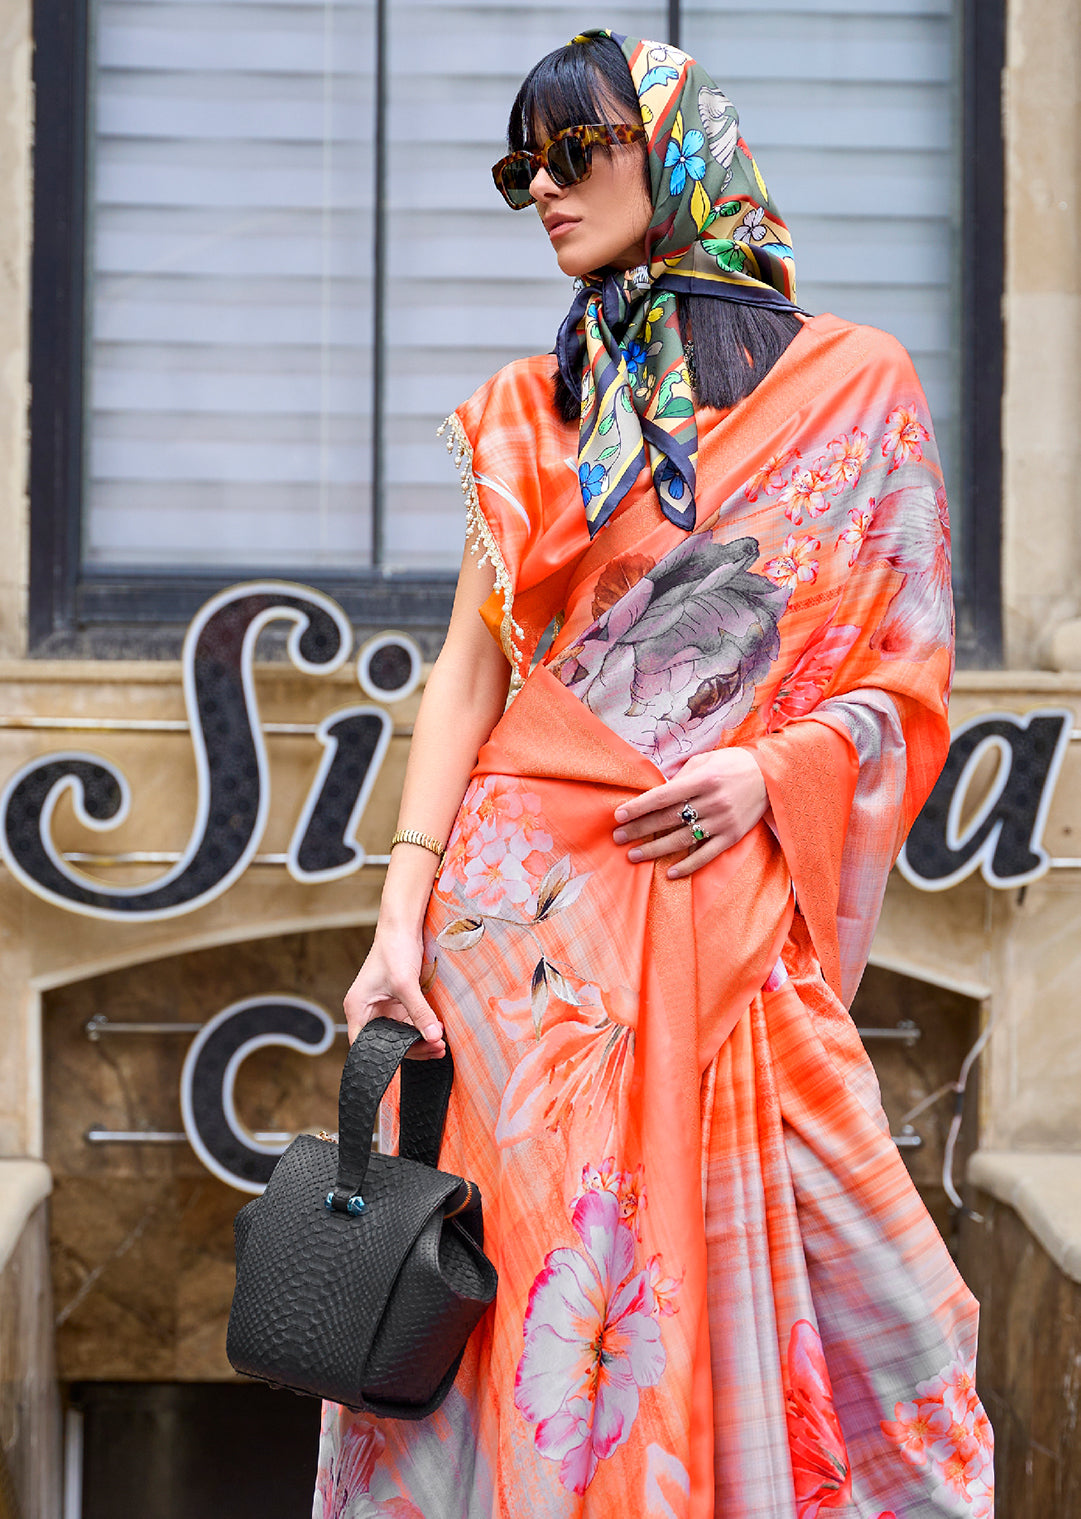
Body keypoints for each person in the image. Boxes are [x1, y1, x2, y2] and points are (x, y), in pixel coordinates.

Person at [314, 30, 992, 1519]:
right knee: (558, 1342)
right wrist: (394, 925)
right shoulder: (532, 409)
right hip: (524, 947)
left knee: (908, 1334)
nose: (544, 194)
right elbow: (471, 675)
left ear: (677, 154)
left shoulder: (854, 387)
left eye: (576, 153)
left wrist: (771, 773)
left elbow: (902, 673)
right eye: (520, 171)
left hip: (724, 907)